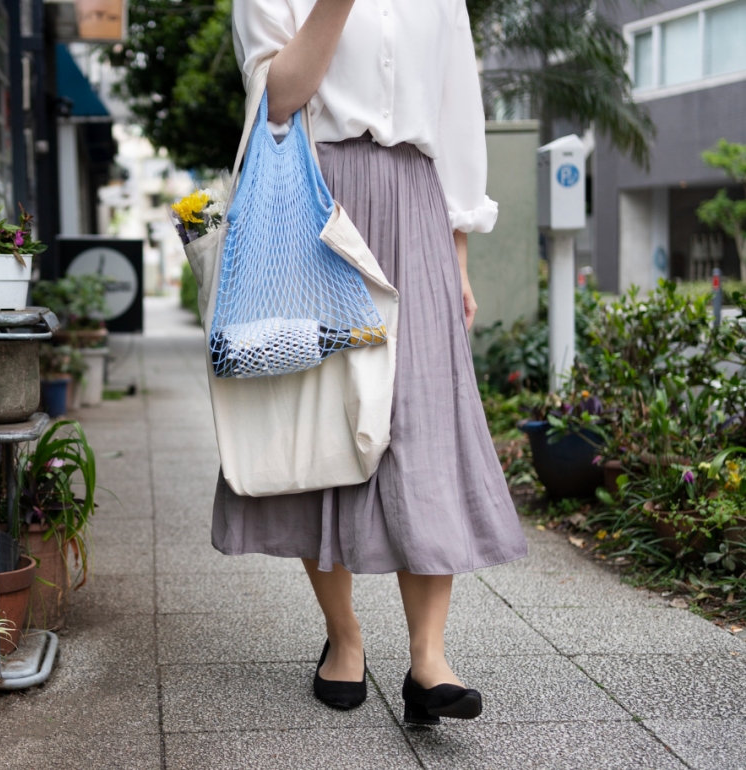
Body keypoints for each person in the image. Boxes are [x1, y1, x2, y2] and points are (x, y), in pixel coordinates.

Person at [212, 0, 529, 724]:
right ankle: (344, 637)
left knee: (425, 425)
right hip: (317, 206)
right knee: (326, 425)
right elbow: (277, 101)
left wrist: (458, 260)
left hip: (417, 206)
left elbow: (455, 117)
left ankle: (429, 660)